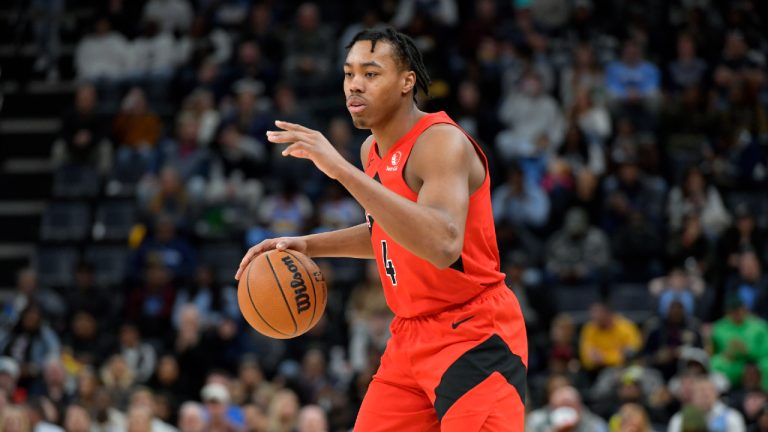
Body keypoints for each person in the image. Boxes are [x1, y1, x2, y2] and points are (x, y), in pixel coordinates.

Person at [235, 27, 527, 431]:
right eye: (348, 73)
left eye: (371, 74)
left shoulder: (441, 143)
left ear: (407, 81)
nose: (355, 84)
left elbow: (442, 243)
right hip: (409, 336)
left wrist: (339, 171)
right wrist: (306, 245)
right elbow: (389, 231)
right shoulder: (371, 151)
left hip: (473, 335)